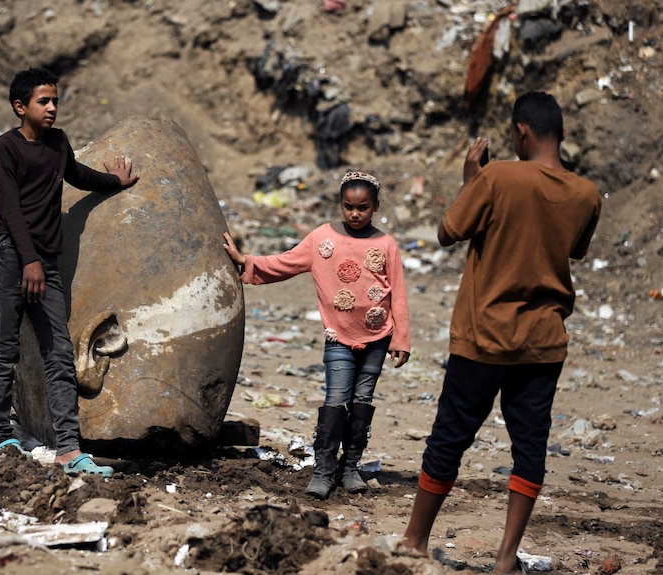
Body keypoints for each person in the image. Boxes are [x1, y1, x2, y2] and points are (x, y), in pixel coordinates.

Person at [401, 92, 602, 574]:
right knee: (530, 447)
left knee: (450, 437)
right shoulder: (587, 194)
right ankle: (506, 557)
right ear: (563, 135)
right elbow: (571, 251)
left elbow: (448, 230)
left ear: (520, 133)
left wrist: (472, 181)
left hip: (483, 336)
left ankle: (414, 541)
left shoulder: (496, 178)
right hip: (544, 342)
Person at [0, 67, 139, 477]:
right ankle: (1, 437)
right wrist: (30, 260)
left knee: (58, 355)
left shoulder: (57, 143)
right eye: (43, 101)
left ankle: (69, 450)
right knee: (5, 351)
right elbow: (11, 209)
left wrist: (115, 181)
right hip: (11, 259)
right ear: (21, 107)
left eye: (55, 100)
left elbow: (78, 174)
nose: (52, 108)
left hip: (45, 265)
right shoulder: (5, 149)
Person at [223, 171, 410, 499]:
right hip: (338, 337)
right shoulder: (322, 239)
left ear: (376, 207)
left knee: (362, 402)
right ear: (339, 204)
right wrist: (246, 262)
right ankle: (324, 469)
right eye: (348, 206)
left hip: (378, 338)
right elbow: (286, 262)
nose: (355, 213)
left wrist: (401, 339)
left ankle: (350, 467)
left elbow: (399, 294)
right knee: (336, 401)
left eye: (363, 207)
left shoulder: (386, 244)